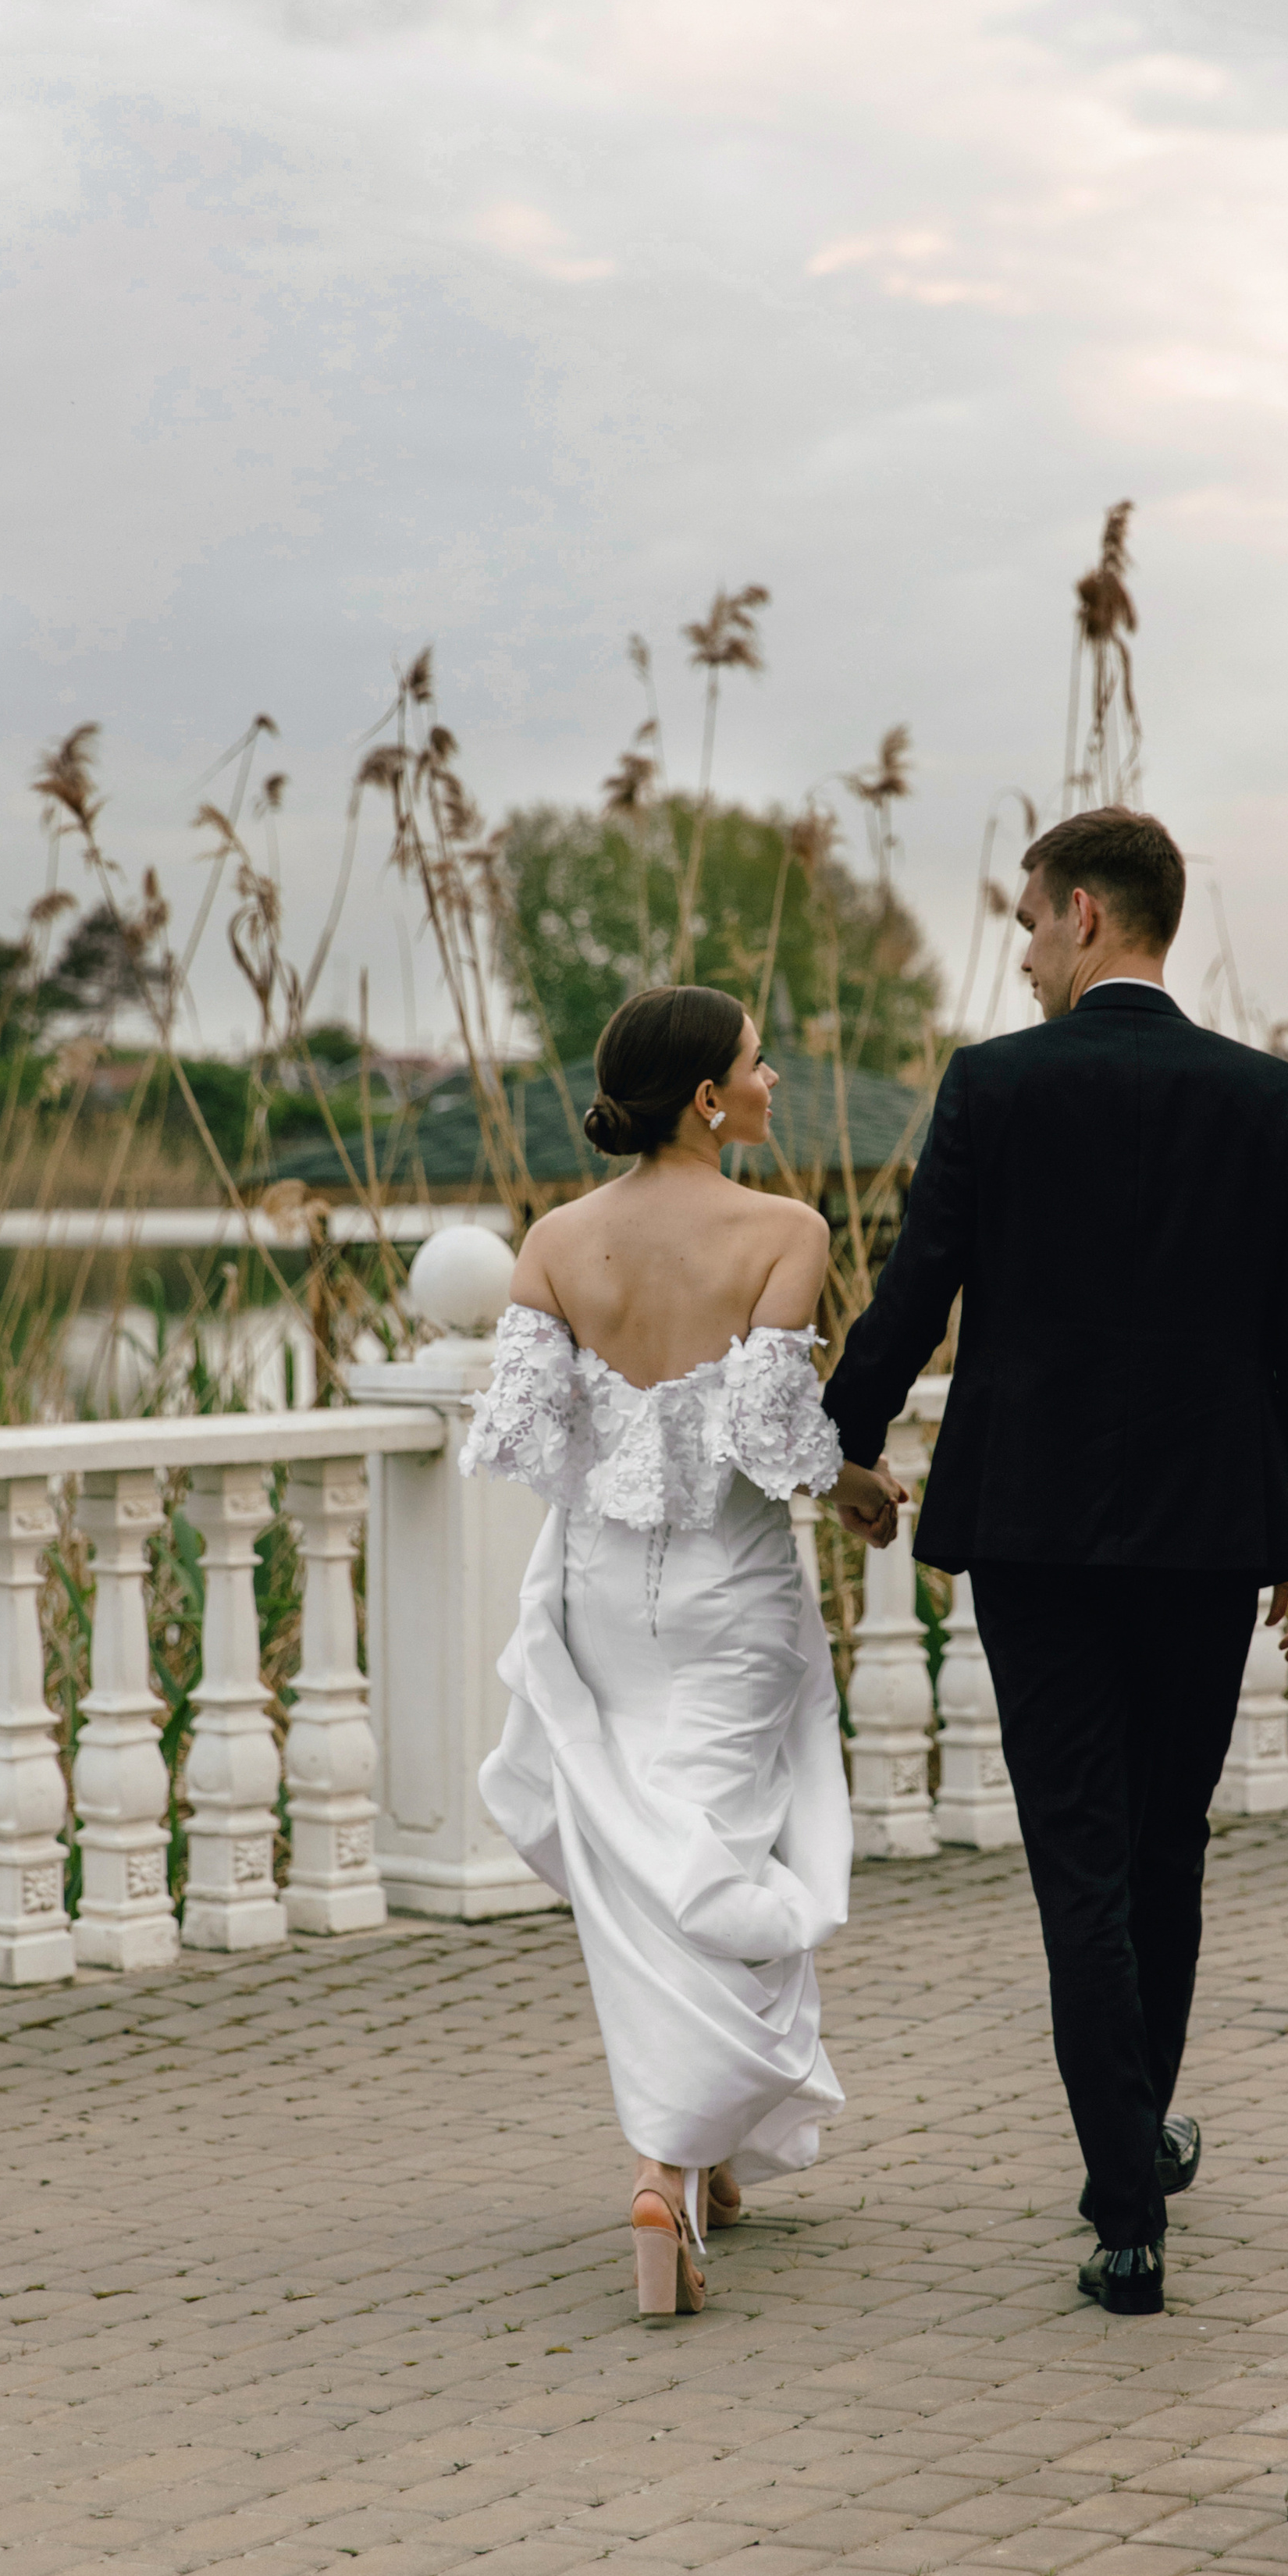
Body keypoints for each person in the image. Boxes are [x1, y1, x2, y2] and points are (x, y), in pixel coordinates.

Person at [823, 807, 1288, 2317]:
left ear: (1087, 919)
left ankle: (1128, 2198)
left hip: (1039, 1532)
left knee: (1079, 1852)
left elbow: (917, 1285)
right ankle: (1134, 2152)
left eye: (1031, 920)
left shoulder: (997, 1084)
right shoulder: (1264, 1098)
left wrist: (837, 1442)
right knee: (1164, 1837)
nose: (1024, 947)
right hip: (1205, 1534)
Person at [460, 985, 904, 2319]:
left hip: (602, 1598)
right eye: (760, 1065)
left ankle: (706, 2155)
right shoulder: (786, 1231)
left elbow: (528, 1438)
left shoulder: (554, 1240)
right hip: (731, 1602)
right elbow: (775, 1440)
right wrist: (863, 1488)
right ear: (710, 1097)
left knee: (653, 1861)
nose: (775, 1082)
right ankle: (663, 2167)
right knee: (721, 1848)